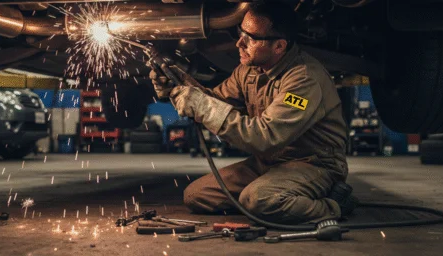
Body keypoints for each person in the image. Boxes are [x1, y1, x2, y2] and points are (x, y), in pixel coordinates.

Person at [150, 2, 357, 225]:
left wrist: (203, 106)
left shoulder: (303, 80)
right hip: (270, 163)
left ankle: (334, 205)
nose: (240, 43)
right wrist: (177, 86)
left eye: (251, 38)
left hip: (313, 164)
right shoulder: (249, 70)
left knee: (257, 200)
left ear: (279, 46)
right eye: (241, 32)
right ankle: (274, 197)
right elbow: (215, 101)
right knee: (196, 196)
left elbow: (265, 138)